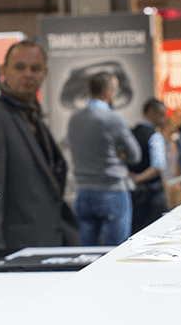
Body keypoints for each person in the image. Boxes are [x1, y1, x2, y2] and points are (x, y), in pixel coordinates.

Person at [0, 40, 78, 249]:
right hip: (15, 252)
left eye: (35, 68)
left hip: (49, 244)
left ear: (44, 72)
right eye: (19, 67)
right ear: (4, 71)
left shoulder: (32, 117)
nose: (28, 74)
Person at [66, 72, 142, 245]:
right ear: (108, 91)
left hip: (83, 192)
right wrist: (120, 153)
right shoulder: (114, 118)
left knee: (85, 256)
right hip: (112, 191)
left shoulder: (74, 119)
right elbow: (135, 155)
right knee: (115, 254)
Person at [127, 98, 170, 232]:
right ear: (151, 112)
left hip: (132, 193)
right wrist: (138, 178)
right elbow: (158, 167)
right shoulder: (155, 136)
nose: (164, 119)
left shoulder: (130, 133)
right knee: (155, 232)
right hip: (152, 193)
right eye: (162, 114)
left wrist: (133, 178)